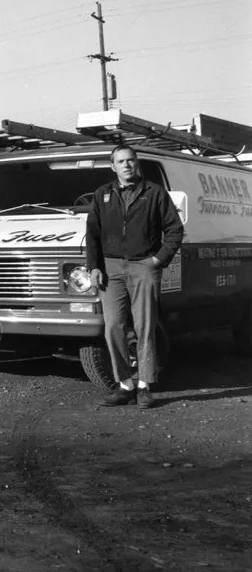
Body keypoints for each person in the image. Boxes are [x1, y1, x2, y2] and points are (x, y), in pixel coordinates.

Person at [86, 145, 184, 410]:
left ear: (136, 163)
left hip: (144, 266)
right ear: (112, 166)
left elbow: (175, 229)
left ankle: (144, 386)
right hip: (111, 268)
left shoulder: (154, 193)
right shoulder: (102, 194)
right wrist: (94, 266)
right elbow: (92, 235)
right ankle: (125, 385)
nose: (127, 165)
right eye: (121, 161)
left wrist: (157, 259)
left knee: (145, 326)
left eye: (130, 160)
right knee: (114, 326)